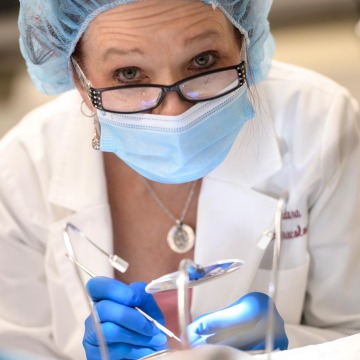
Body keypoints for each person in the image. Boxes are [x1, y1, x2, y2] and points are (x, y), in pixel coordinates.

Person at [0, 0, 359, 359]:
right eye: (128, 74)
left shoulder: (320, 124)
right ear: (80, 80)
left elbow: (352, 330)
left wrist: (289, 346)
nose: (175, 111)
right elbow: (14, 347)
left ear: (244, 44)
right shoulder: (26, 166)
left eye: (203, 61)